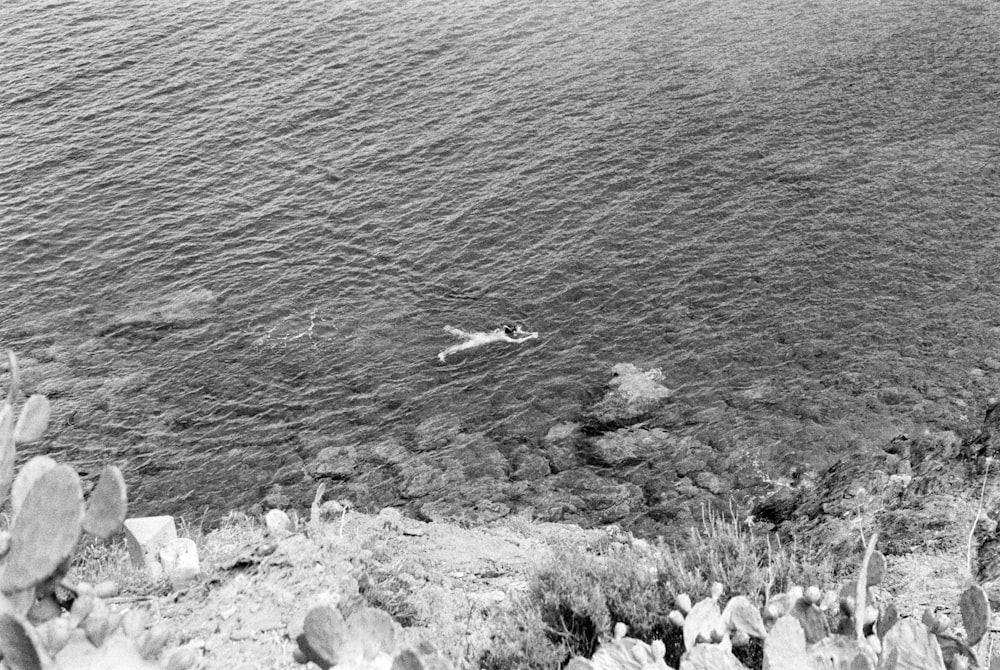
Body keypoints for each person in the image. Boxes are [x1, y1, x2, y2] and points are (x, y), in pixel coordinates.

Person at [438, 324, 538, 361]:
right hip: (481, 341)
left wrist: (529, 332)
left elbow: (516, 331)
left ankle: (449, 329)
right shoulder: (504, 337)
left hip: (481, 335)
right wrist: (530, 336)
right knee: (461, 347)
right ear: (512, 332)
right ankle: (442, 354)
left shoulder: (502, 330)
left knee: (465, 334)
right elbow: (519, 341)